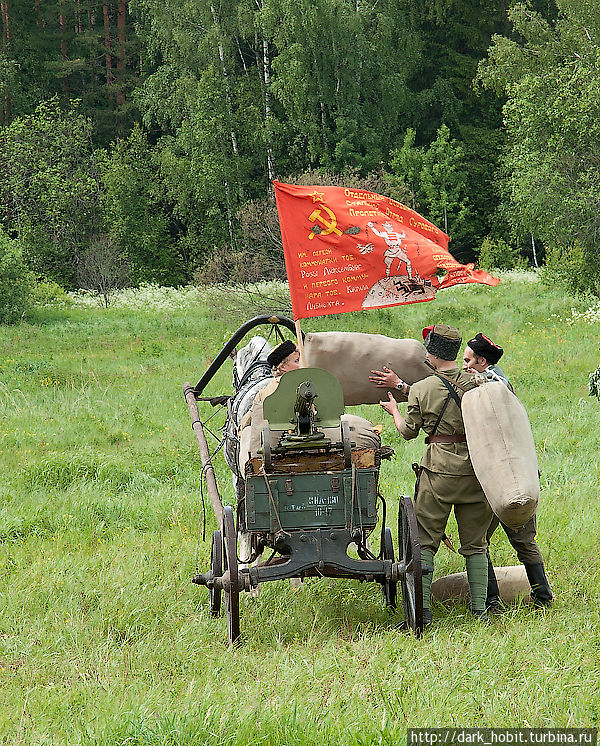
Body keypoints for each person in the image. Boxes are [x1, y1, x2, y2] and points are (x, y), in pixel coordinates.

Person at [379, 324, 493, 625]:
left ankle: (424, 610)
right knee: (476, 545)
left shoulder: (420, 389)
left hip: (438, 473)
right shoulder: (478, 384)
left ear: (432, 354)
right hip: (475, 472)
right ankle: (480, 611)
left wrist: (394, 411)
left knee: (425, 541)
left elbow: (407, 433)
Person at [462, 333, 553, 610]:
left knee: (483, 542)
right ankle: (539, 598)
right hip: (510, 472)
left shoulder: (493, 383)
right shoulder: (492, 379)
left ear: (481, 360)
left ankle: (495, 602)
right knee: (519, 540)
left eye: (467, 361)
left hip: (498, 477)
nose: (464, 366)